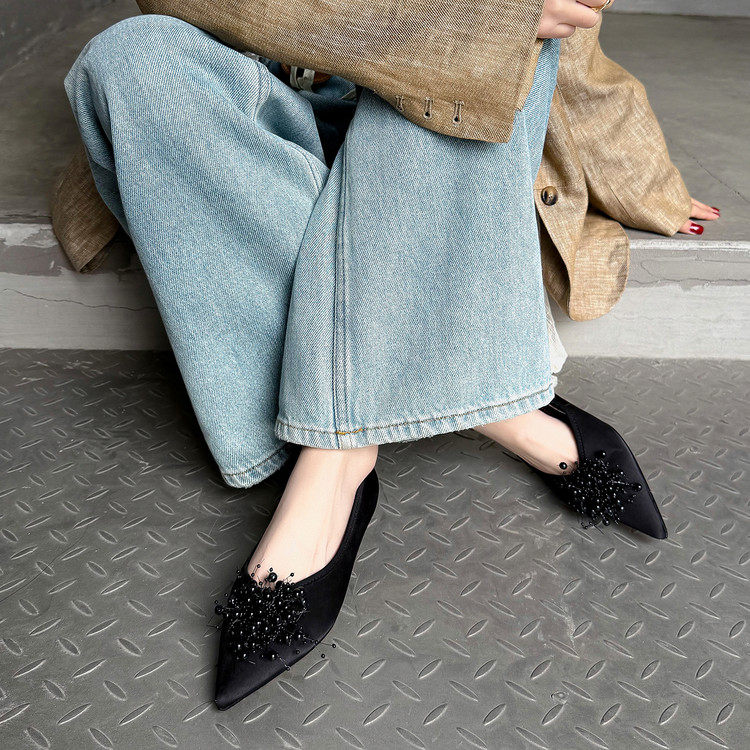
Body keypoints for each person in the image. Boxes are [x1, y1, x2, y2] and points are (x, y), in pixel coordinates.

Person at [56, 0, 719, 709]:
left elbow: (574, 45)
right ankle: (486, 399)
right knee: (130, 56)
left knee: (503, 25)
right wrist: (438, 22)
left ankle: (334, 462)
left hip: (432, 153)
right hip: (263, 111)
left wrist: (648, 184)